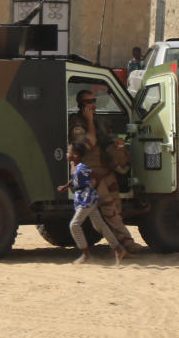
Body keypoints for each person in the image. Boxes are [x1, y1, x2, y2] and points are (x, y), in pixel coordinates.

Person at [68, 90, 142, 253]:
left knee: (116, 207)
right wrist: (89, 121)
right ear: (81, 105)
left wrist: (118, 144)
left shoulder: (100, 121)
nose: (93, 104)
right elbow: (88, 144)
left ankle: (119, 243)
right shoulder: (77, 123)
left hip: (106, 171)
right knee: (108, 208)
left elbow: (110, 138)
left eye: (94, 101)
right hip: (90, 174)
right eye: (89, 102)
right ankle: (125, 244)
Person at [57, 141, 128, 266]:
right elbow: (75, 179)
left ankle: (86, 254)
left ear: (76, 155)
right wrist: (66, 186)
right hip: (82, 198)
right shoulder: (74, 165)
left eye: (69, 152)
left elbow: (97, 177)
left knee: (74, 224)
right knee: (100, 225)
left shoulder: (83, 167)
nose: (67, 154)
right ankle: (119, 249)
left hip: (86, 199)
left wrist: (92, 189)